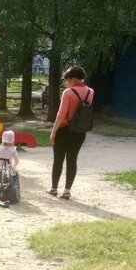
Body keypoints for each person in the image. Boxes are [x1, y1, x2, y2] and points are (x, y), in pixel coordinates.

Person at [48, 65, 94, 200]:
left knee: (58, 159)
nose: (66, 82)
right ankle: (67, 191)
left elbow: (61, 114)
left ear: (73, 79)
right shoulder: (90, 92)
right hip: (80, 131)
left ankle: (54, 188)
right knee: (72, 160)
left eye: (67, 79)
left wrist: (53, 132)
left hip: (64, 130)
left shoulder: (68, 93)